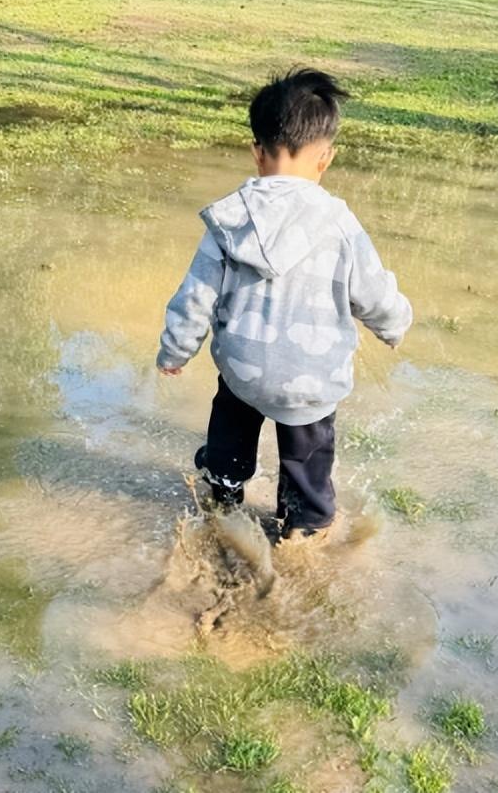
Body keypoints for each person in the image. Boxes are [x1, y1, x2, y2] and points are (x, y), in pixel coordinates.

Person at [156, 68, 412, 540]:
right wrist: (395, 324)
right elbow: (373, 293)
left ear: (257, 152)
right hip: (311, 378)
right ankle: (304, 527)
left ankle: (224, 495)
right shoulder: (339, 224)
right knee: (308, 462)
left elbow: (195, 297)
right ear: (325, 159)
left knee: (230, 431)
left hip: (243, 369)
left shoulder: (230, 220)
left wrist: (174, 351)